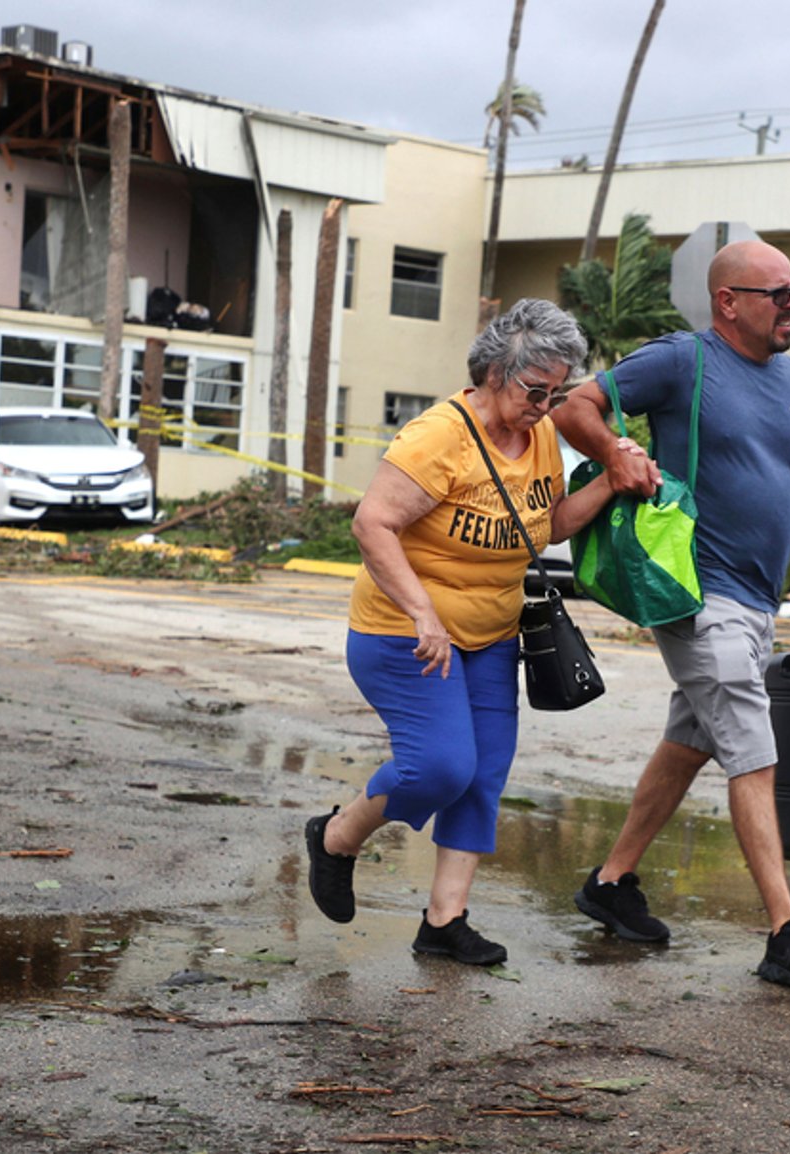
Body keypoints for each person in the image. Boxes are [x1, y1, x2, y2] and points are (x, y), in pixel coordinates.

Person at [552, 240, 790, 989]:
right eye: (777, 292)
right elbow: (574, 404)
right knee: (752, 745)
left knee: (691, 737)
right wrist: (619, 451)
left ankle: (612, 882)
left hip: (757, 602)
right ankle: (787, 931)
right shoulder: (683, 361)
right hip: (693, 590)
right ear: (728, 302)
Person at [303, 298, 627, 966]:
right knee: (441, 767)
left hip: (492, 636)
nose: (545, 407)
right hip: (404, 632)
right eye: (535, 391)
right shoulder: (437, 438)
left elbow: (549, 523)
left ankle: (445, 922)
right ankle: (337, 836)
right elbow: (372, 524)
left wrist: (615, 483)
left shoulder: (537, 436)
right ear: (492, 374)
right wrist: (424, 611)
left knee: (482, 776)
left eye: (556, 393)